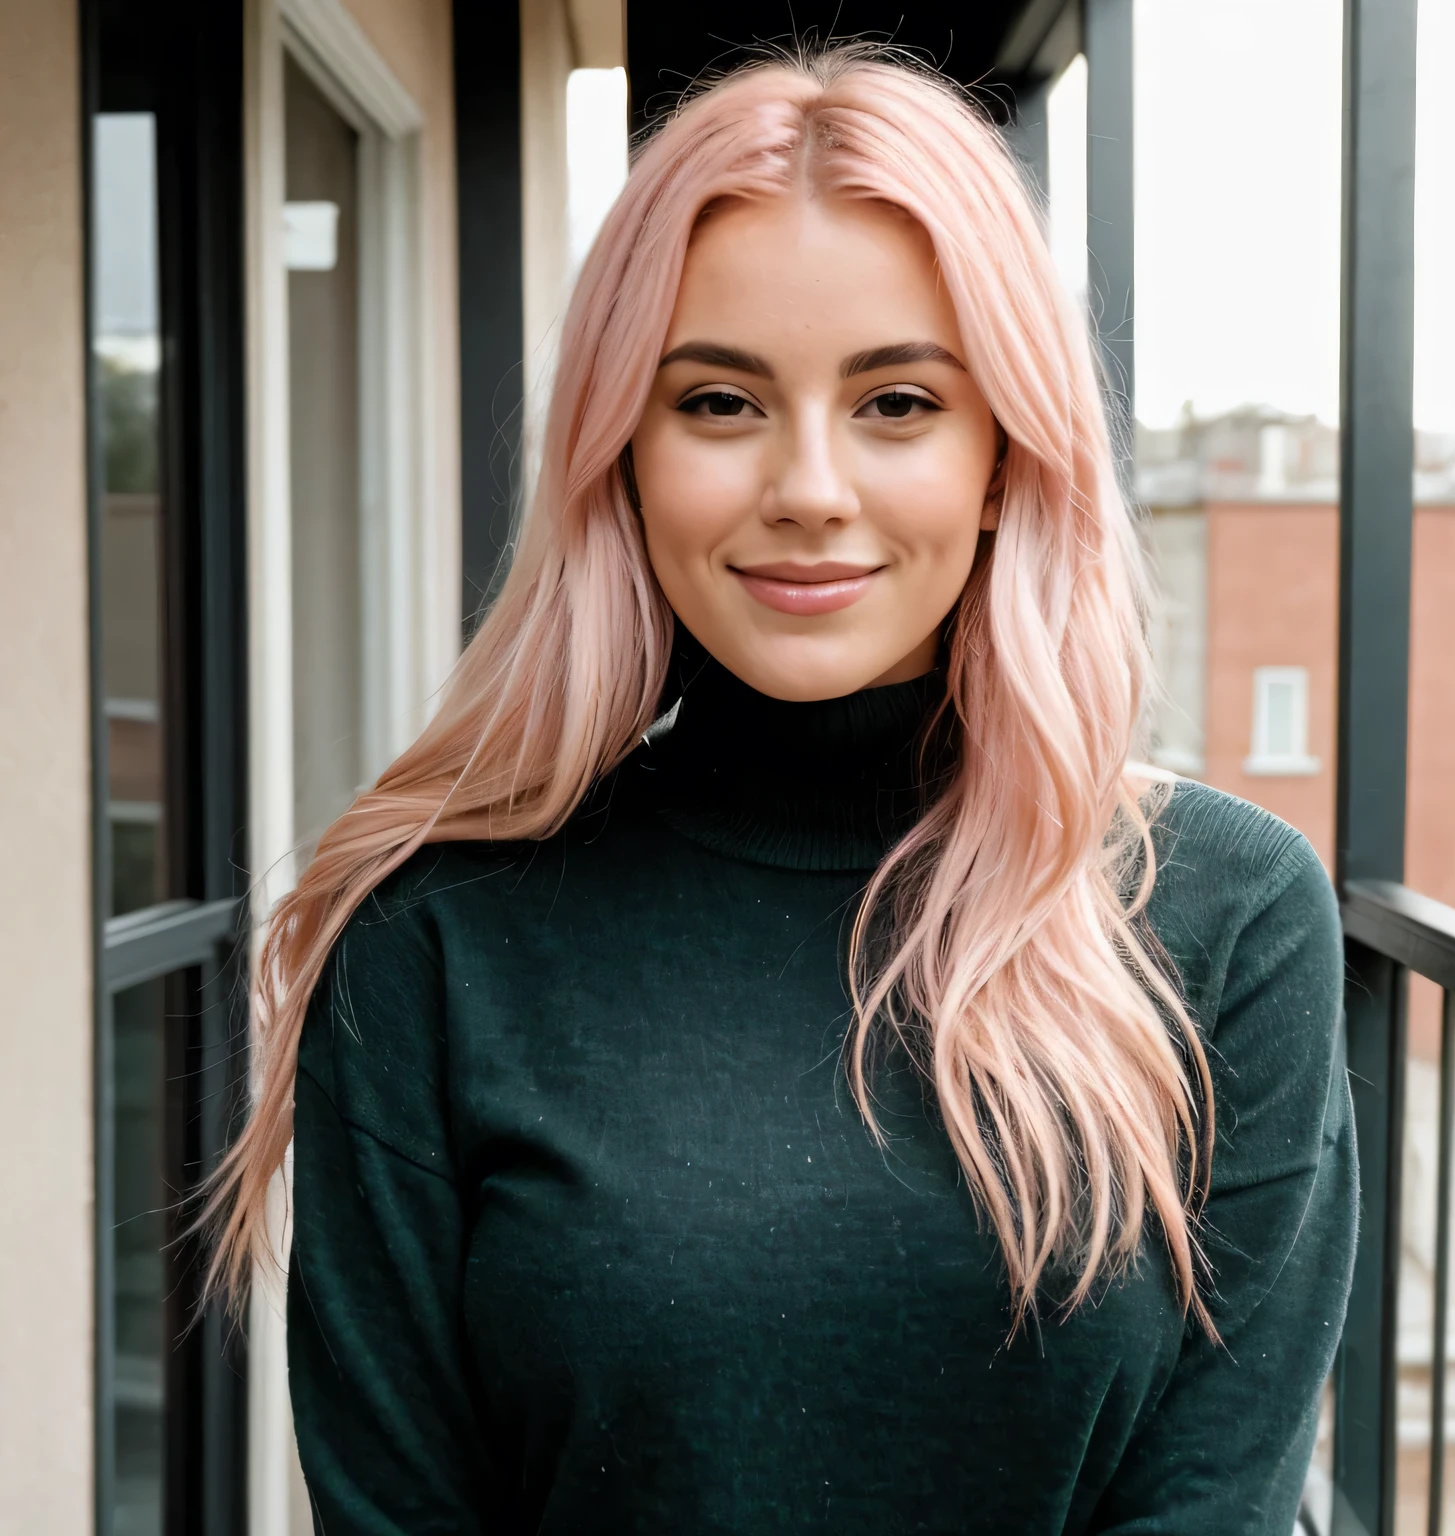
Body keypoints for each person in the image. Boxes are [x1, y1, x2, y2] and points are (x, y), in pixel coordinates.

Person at [211, 46, 1357, 1534]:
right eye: (719, 403)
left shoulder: (1229, 916)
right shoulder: (434, 944)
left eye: (895, 403)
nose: (810, 487)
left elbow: (1215, 1501)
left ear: (1005, 454)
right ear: (622, 455)